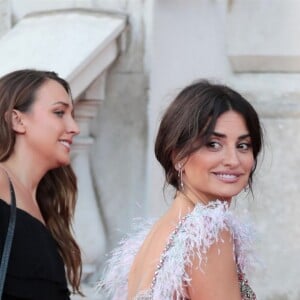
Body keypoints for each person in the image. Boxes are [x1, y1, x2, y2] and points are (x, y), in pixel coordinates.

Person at [99, 80, 263, 299]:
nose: (233, 160)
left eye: (243, 146)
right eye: (213, 144)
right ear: (178, 155)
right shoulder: (207, 234)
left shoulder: (157, 235)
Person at [0, 69, 82, 299]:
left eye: (71, 115)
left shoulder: (42, 203)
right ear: (18, 120)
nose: (74, 127)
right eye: (59, 113)